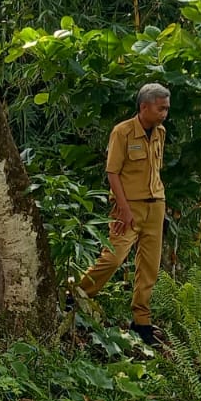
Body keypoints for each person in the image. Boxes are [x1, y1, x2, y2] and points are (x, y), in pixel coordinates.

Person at [77, 83, 171, 344]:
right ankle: (77, 295)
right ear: (144, 107)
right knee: (114, 257)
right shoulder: (123, 132)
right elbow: (112, 172)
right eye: (160, 108)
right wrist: (124, 208)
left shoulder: (160, 132)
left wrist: (159, 205)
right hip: (128, 206)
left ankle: (142, 321)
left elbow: (156, 170)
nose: (164, 113)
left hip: (155, 204)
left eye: (166, 108)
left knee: (149, 266)